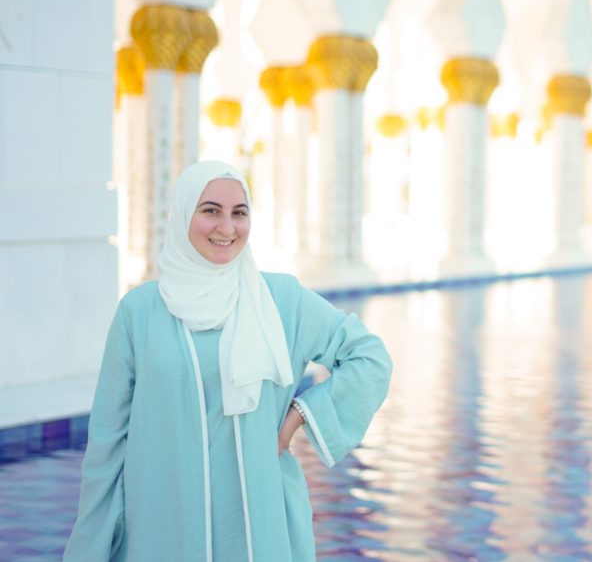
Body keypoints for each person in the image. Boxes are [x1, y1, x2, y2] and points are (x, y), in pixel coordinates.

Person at [63, 161, 393, 562]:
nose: (227, 227)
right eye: (210, 210)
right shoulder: (140, 312)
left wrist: (299, 415)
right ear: (184, 214)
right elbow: (107, 442)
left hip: (259, 526)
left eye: (240, 213)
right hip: (164, 526)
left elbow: (369, 357)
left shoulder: (281, 300)